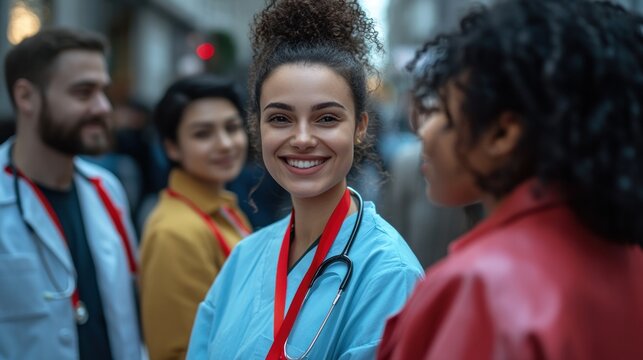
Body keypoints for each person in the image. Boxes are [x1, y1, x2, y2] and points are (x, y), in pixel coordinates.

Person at [377, 0, 643, 358]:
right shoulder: (626, 255)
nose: (423, 130)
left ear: (503, 134)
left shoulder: (480, 288)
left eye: (441, 109)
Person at [187, 1, 424, 359]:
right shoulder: (244, 258)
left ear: (360, 127)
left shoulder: (388, 275)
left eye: (326, 119)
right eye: (280, 119)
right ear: (258, 127)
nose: (301, 138)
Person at [0, 28, 142, 359]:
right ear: (26, 97)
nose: (103, 107)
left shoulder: (107, 190)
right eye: (83, 93)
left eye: (104, 92)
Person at [139, 75, 252, 360]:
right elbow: (176, 352)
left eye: (232, 128)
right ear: (172, 147)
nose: (225, 144)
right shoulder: (174, 232)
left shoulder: (222, 208)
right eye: (203, 134)